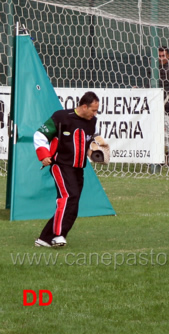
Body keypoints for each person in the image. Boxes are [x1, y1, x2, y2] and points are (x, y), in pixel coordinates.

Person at [34, 91, 101, 247]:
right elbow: (40, 135)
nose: (95, 113)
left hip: (79, 168)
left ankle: (44, 238)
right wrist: (44, 155)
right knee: (67, 197)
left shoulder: (92, 121)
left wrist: (96, 153)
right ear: (84, 106)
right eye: (93, 110)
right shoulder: (61, 117)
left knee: (73, 201)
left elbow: (87, 144)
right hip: (61, 165)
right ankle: (58, 235)